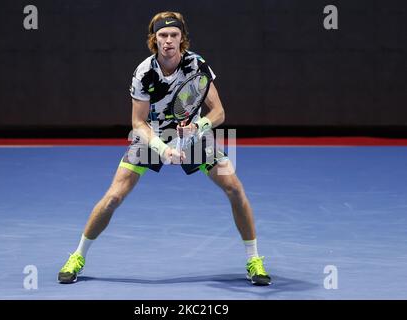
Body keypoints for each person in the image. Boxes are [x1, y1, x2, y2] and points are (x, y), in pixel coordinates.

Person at [58, 11, 271, 286]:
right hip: (153, 135)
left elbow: (219, 112)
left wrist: (199, 127)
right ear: (154, 39)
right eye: (162, 35)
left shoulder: (197, 65)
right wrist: (163, 148)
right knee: (113, 197)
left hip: (194, 133)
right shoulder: (144, 72)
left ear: (182, 38)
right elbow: (137, 122)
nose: (168, 41)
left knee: (235, 188)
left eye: (173, 35)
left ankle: (254, 260)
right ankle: (77, 256)